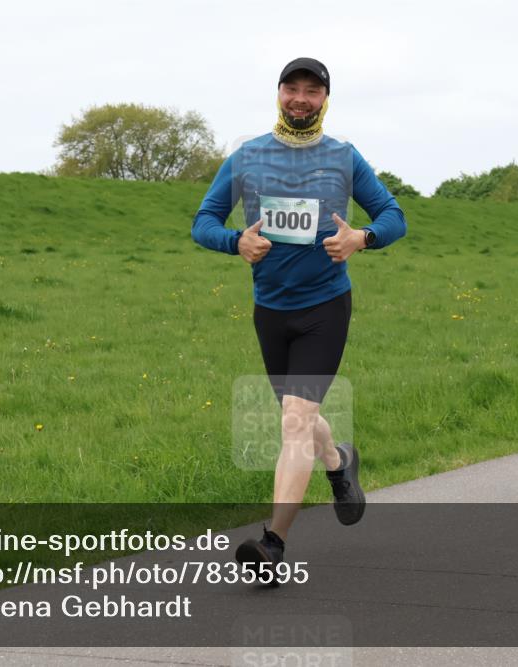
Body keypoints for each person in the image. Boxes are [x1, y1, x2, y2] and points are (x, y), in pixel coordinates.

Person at [191, 57, 407, 583]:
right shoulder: (247, 156)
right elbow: (203, 222)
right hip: (270, 310)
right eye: (293, 88)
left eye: (313, 90)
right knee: (300, 418)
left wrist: (362, 238)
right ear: (279, 93)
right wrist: (235, 242)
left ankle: (273, 545)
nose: (301, 99)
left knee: (293, 421)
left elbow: (393, 216)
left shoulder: (343, 156)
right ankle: (338, 463)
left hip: (324, 307)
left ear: (325, 99)